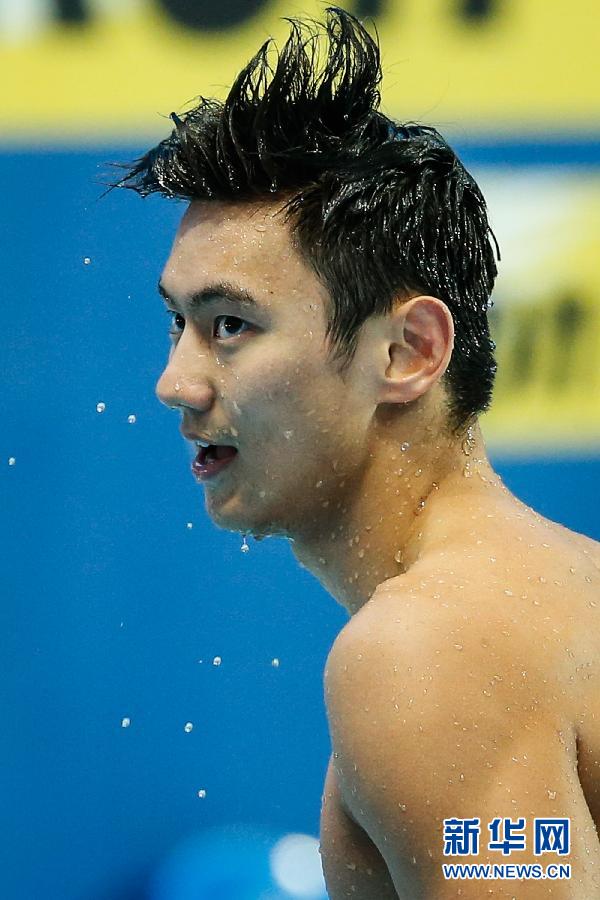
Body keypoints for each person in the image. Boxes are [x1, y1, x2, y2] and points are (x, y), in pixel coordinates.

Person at [111, 7, 600, 897]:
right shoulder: (557, 586)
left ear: (407, 351)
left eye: (230, 325)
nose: (175, 383)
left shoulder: (430, 646)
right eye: (178, 323)